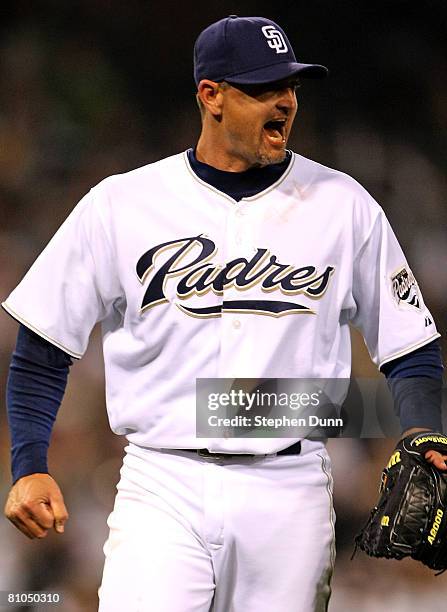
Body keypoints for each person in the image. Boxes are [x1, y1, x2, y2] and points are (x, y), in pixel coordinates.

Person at [2, 15, 444, 612]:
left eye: (291, 87)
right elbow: (42, 347)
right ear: (210, 95)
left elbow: (411, 347)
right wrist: (29, 463)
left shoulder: (345, 206)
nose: (285, 101)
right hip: (162, 483)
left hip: (291, 489)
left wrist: (421, 429)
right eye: (263, 88)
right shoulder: (121, 204)